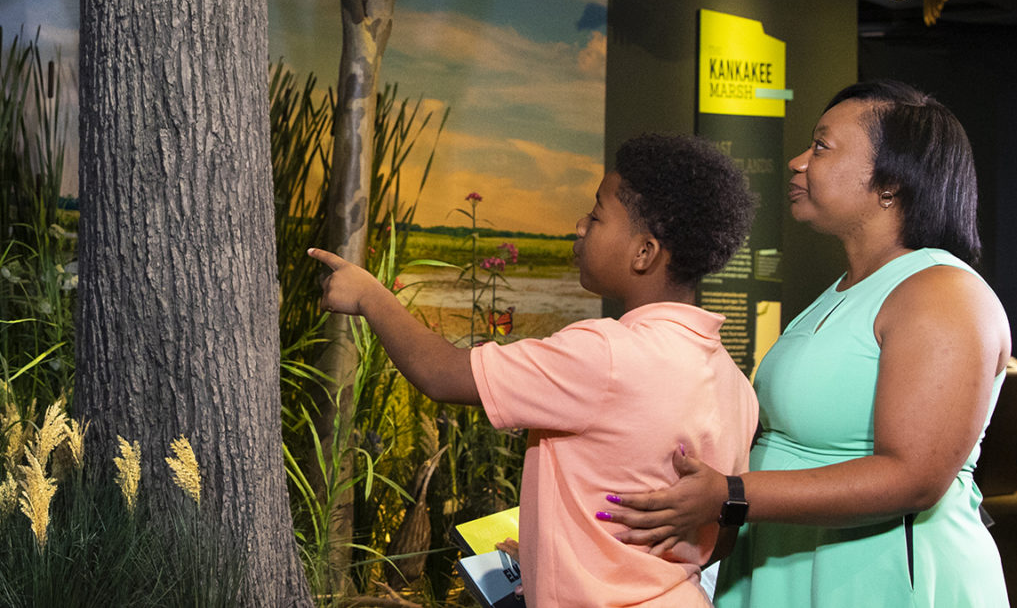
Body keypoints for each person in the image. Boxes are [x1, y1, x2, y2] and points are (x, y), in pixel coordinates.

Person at [600, 80, 1012, 606]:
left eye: (821, 146)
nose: (798, 162)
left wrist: (731, 495)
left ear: (890, 182)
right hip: (792, 559)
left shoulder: (942, 293)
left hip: (872, 574)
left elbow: (913, 477)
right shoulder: (847, 288)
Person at [311, 132, 761, 607]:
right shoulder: (735, 385)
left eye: (597, 214)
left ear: (644, 252)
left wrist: (369, 295)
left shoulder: (604, 354)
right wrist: (558, 559)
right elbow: (721, 538)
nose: (581, 225)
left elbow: (442, 374)